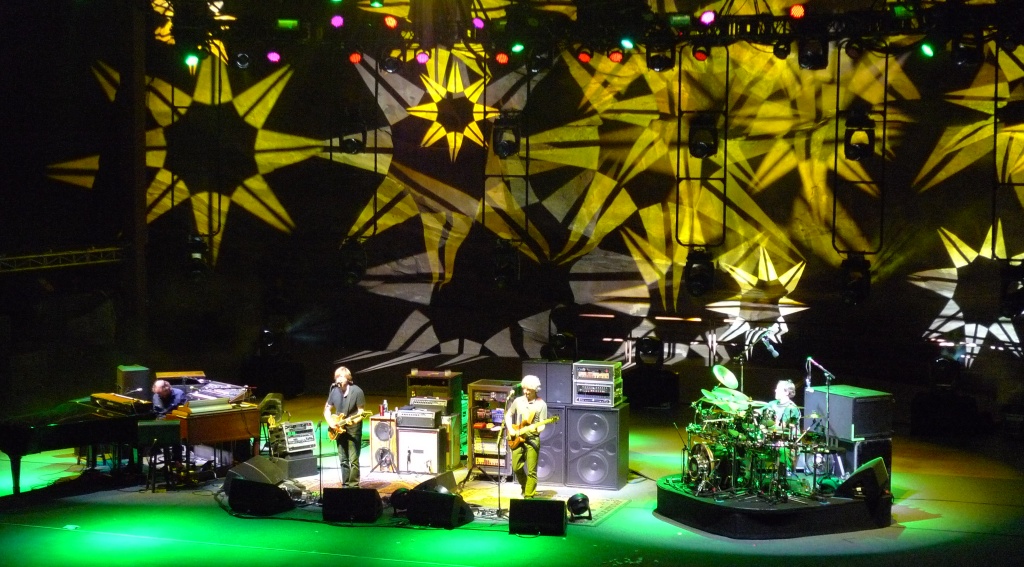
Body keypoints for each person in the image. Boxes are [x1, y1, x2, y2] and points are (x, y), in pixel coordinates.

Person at [503, 374, 547, 499]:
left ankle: (528, 496)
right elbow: (508, 415)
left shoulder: (541, 404)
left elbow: (543, 423)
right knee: (516, 467)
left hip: (532, 438)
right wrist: (511, 428)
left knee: (532, 470)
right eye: (524, 389)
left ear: (535, 390)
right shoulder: (518, 401)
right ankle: (526, 486)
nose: (525, 392)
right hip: (517, 437)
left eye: (529, 390)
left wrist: (537, 429)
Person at [323, 366, 365, 488]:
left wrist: (354, 421)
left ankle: (354, 485)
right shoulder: (334, 391)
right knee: (343, 459)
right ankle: (345, 484)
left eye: (342, 376)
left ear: (348, 378)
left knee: (354, 459)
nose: (339, 379)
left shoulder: (357, 391)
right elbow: (327, 410)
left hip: (353, 428)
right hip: (338, 427)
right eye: (337, 377)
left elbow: (361, 412)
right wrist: (331, 423)